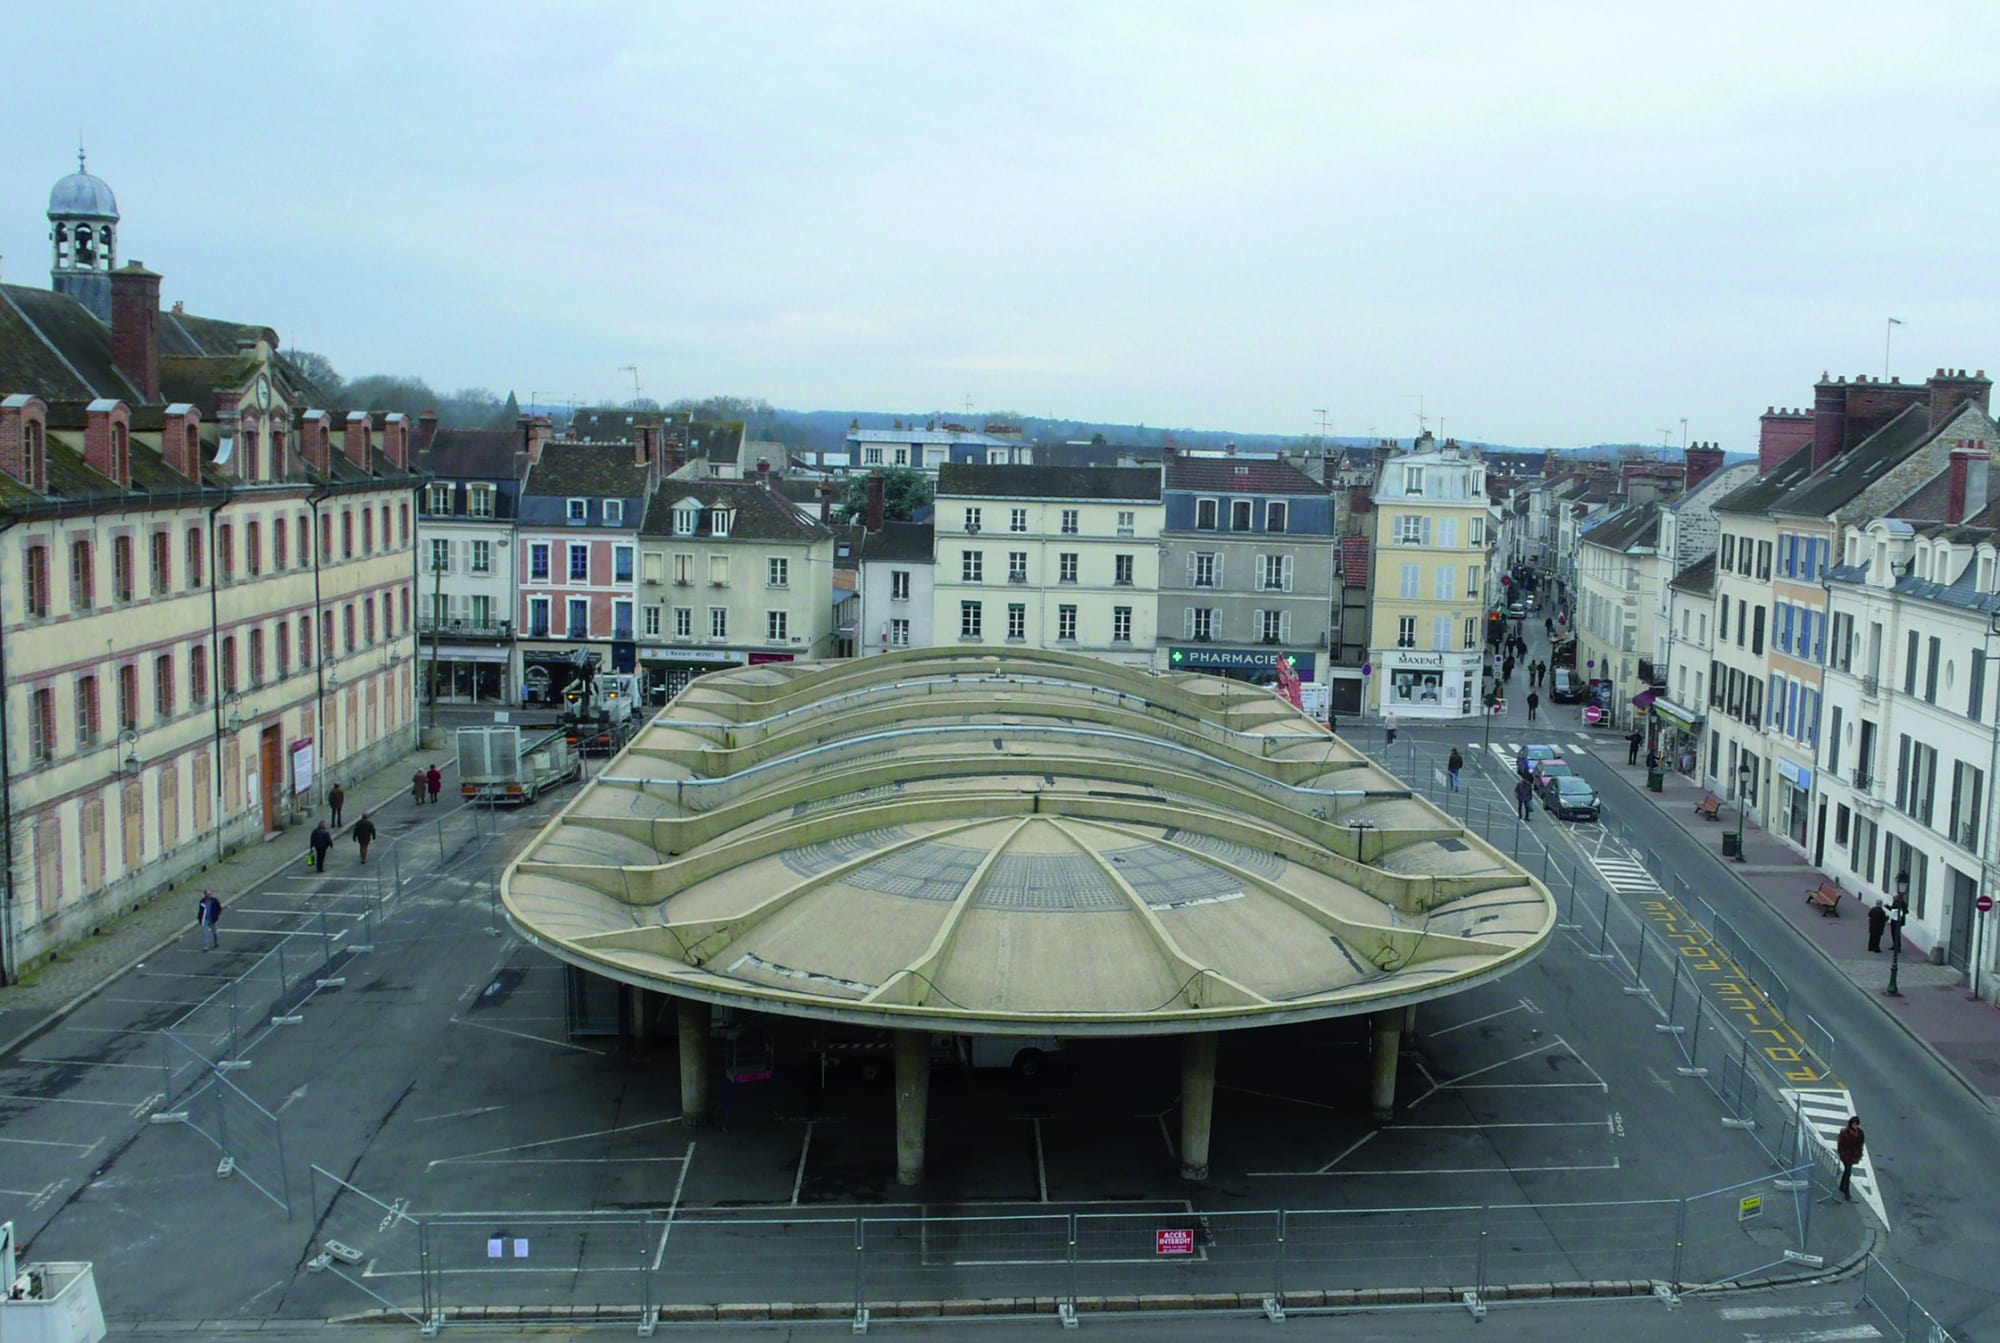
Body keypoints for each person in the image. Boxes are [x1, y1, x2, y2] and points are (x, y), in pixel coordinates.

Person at [1836, 1115, 1865, 1201]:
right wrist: (1842, 1153)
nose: (1855, 1126)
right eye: (1854, 1124)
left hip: (1853, 1155)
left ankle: (1842, 1186)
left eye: (1857, 1124)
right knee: (1848, 1172)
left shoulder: (1860, 1133)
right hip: (1846, 1155)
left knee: (1847, 1171)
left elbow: (1860, 1144)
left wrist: (1859, 1153)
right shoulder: (1845, 1133)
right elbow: (1840, 1144)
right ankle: (1847, 1193)